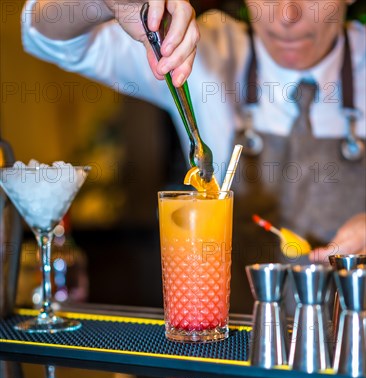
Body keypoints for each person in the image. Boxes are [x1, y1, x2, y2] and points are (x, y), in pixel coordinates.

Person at [21, 0, 365, 312]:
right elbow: (44, 39)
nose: (287, 15)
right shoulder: (204, 49)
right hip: (232, 351)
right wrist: (104, 2)